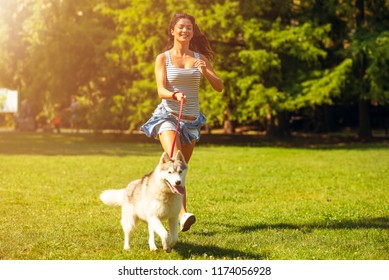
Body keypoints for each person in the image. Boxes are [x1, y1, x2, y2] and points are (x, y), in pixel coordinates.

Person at [141, 13, 223, 232]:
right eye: (181, 27)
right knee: (176, 162)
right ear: (172, 31)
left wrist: (205, 71)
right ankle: (183, 214)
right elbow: (161, 89)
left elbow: (219, 86)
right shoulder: (163, 58)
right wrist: (174, 95)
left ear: (192, 32)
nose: (185, 30)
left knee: (179, 170)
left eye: (189, 27)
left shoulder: (200, 59)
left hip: (191, 121)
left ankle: (157, 203)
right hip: (168, 117)